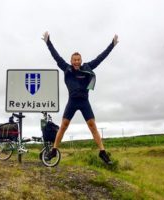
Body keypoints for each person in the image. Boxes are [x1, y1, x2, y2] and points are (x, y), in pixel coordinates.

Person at [42, 31, 118, 165]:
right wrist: (48, 43)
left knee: (92, 126)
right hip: (72, 101)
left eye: (78, 60)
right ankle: (54, 150)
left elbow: (101, 57)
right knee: (64, 126)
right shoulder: (67, 68)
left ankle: (102, 152)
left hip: (84, 101)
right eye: (74, 60)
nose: (76, 62)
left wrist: (112, 45)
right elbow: (56, 56)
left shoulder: (87, 67)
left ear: (81, 61)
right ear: (71, 61)